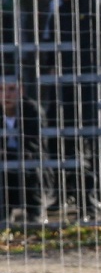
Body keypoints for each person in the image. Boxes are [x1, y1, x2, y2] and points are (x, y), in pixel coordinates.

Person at [42, 0, 101, 221]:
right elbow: (50, 42)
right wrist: (51, 67)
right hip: (67, 85)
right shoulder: (60, 8)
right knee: (72, 146)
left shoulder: (99, 4)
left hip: (95, 84)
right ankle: (87, 206)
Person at [0, 80, 53, 223]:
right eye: (1, 90)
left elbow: (32, 147)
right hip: (5, 168)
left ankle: (36, 214)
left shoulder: (32, 110)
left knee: (32, 167)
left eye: (11, 89)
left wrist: (5, 153)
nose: (6, 95)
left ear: (21, 91)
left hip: (29, 168)